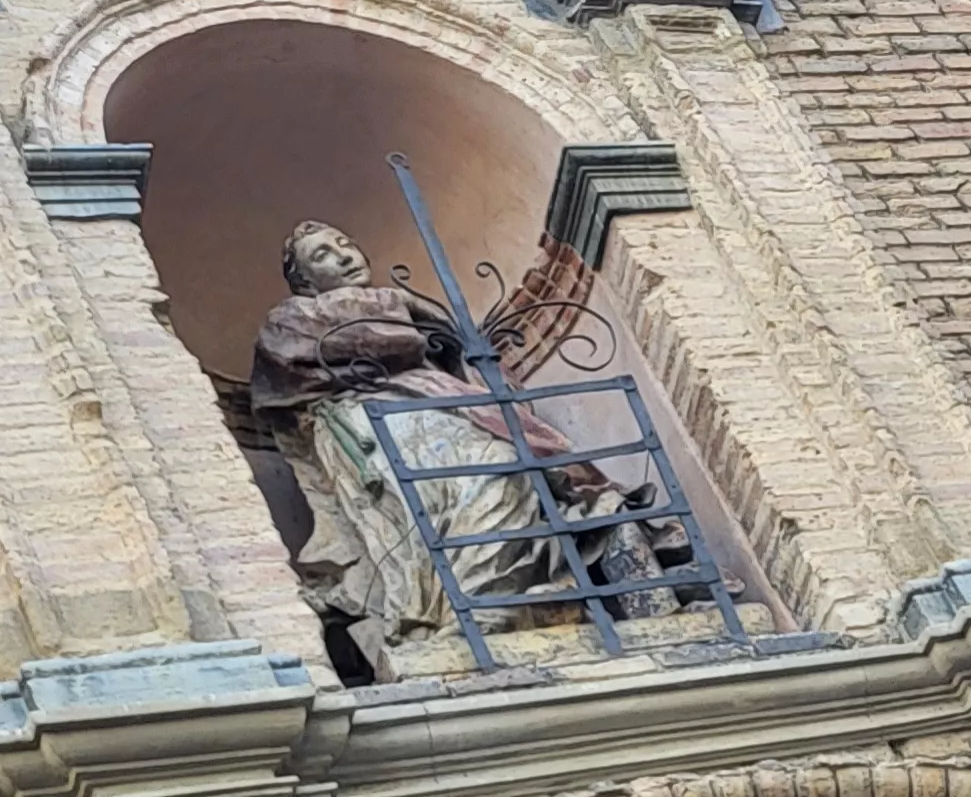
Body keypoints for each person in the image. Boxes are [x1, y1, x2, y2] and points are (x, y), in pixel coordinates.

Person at [249, 220, 687, 674]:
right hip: (375, 424)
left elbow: (452, 353)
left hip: (441, 407)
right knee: (473, 481)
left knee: (512, 467)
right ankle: (477, 610)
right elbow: (365, 341)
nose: (343, 255)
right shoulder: (290, 319)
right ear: (302, 281)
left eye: (345, 242)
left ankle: (492, 606)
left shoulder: (403, 317)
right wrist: (402, 302)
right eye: (322, 255)